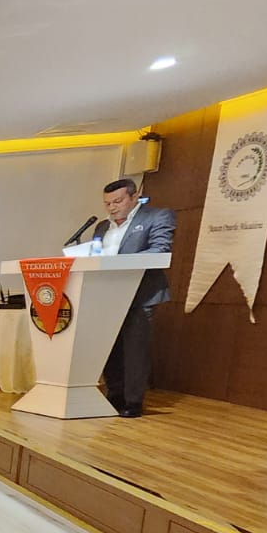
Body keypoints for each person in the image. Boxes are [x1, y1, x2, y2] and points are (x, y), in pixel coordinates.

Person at [93, 178, 176, 417]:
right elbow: (95, 256)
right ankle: (114, 395)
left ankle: (133, 401)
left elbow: (160, 250)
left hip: (140, 294)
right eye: (107, 203)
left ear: (134, 196)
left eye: (117, 201)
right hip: (107, 295)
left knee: (135, 350)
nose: (112, 207)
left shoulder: (157, 217)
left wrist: (116, 263)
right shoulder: (102, 227)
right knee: (110, 349)